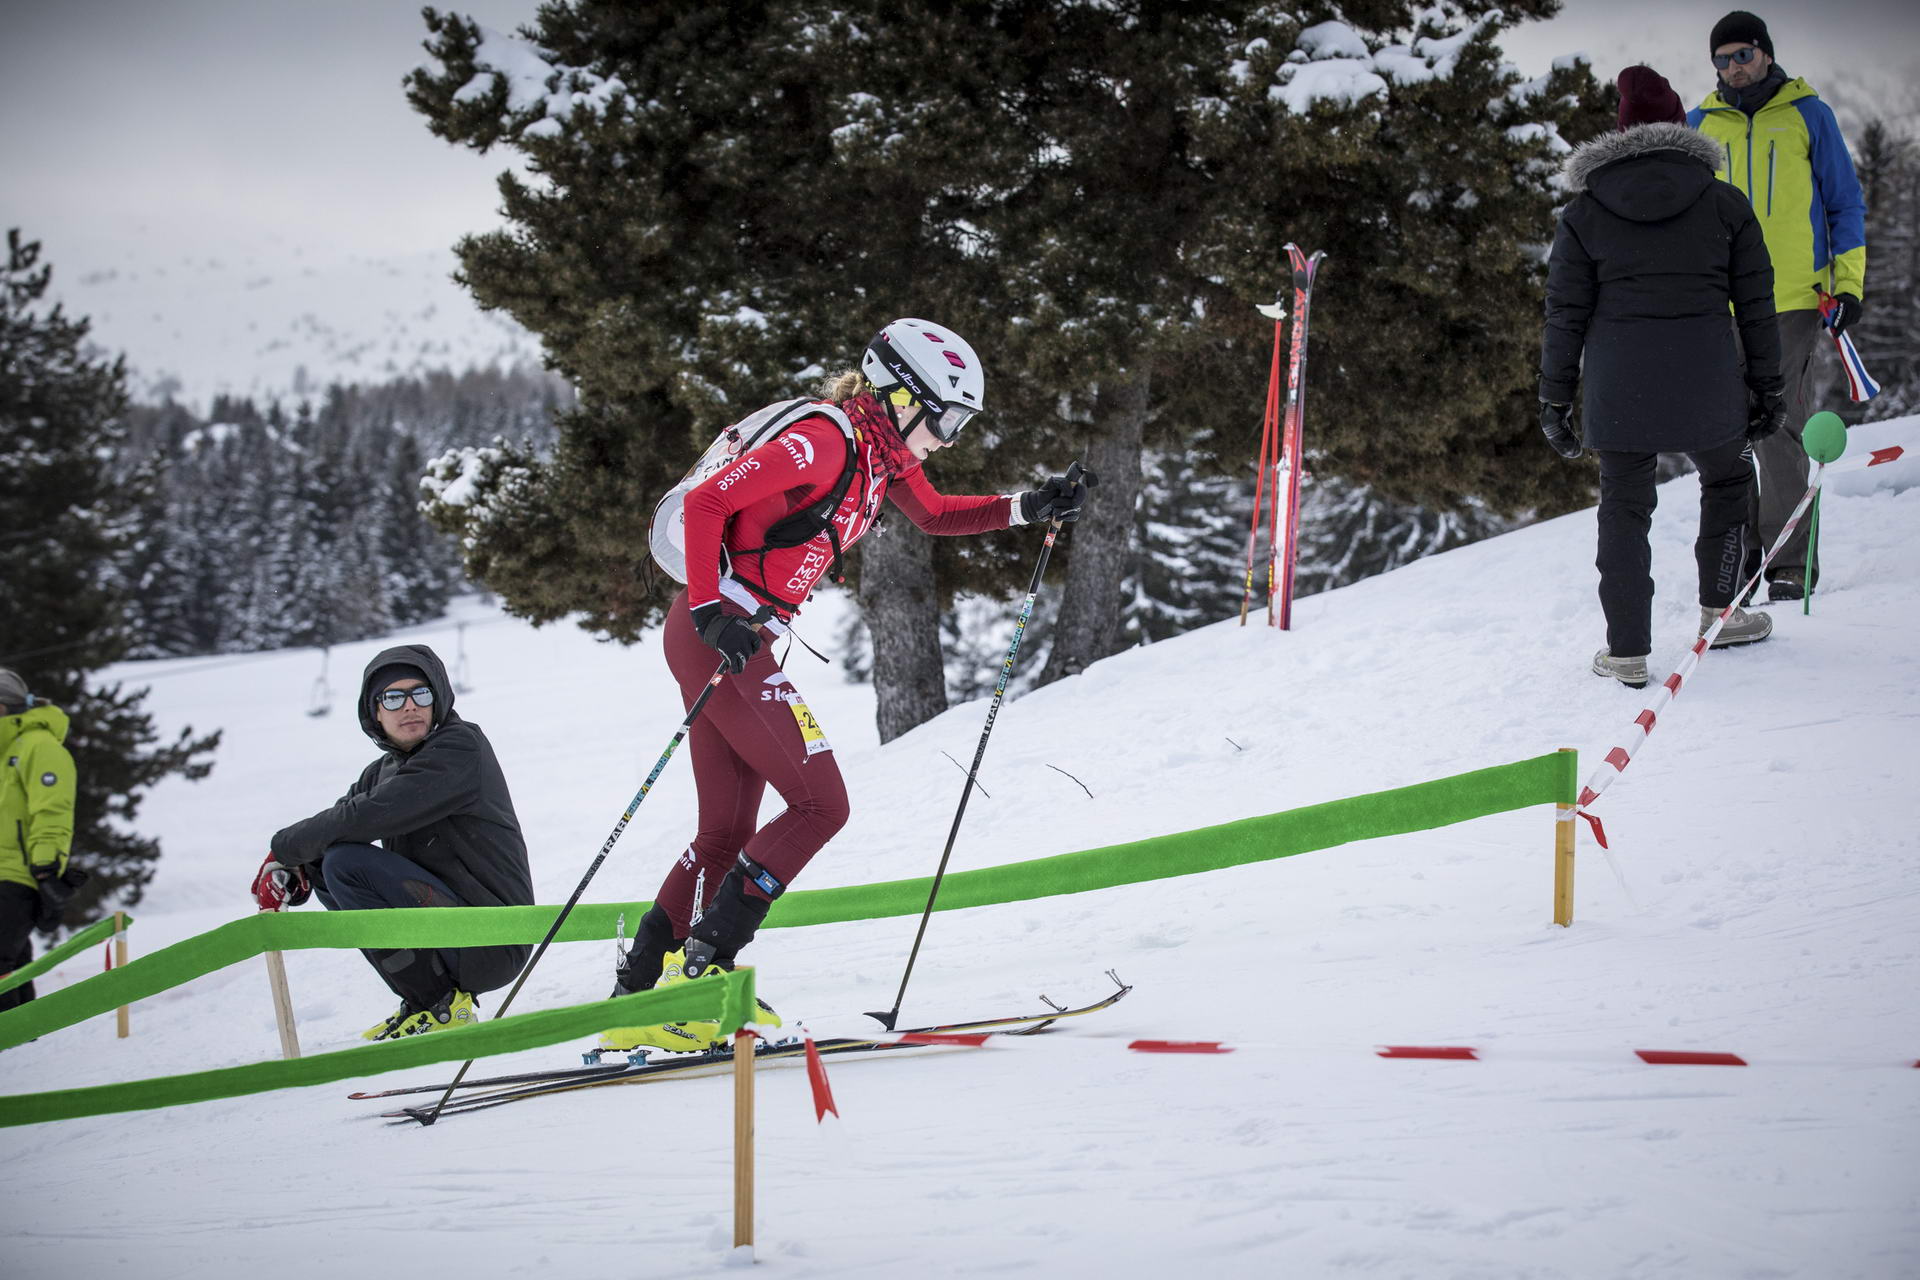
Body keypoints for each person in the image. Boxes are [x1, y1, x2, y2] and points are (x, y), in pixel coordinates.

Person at [600, 318, 1091, 1052]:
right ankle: (701, 978)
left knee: (726, 830)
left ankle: (638, 989)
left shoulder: (878, 457)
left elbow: (933, 513)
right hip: (719, 633)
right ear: (901, 395)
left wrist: (1027, 505)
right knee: (821, 802)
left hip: (733, 635)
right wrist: (708, 608)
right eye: (946, 417)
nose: (950, 437)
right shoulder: (826, 441)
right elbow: (707, 507)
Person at [1540, 66, 1785, 688]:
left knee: (1624, 508)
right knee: (1728, 482)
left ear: (1619, 133)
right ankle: (1722, 615)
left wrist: (1553, 398)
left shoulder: (1586, 211)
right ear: (1680, 127)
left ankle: (1626, 653)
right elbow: (1756, 304)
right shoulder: (1725, 203)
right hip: (1708, 377)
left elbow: (1565, 315)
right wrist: (1769, 387)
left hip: (1620, 384)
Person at [256, 645, 535, 1040]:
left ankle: (440, 1006)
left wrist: (282, 848)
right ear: (375, 711)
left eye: (421, 693)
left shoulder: (460, 748)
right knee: (326, 862)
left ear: (437, 699)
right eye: (393, 697)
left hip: (491, 937)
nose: (410, 706)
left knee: (345, 863)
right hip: (449, 930)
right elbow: (334, 826)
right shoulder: (380, 772)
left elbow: (367, 815)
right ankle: (427, 1001)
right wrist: (292, 870)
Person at [1689, 11, 1867, 602]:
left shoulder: (1806, 114)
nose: (1734, 67)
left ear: (1765, 54)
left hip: (1791, 300)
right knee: (1725, 432)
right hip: (1720, 303)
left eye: (1743, 54)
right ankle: (1736, 561)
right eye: (1723, 58)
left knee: (1781, 427)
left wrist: (1849, 285)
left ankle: (1791, 564)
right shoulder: (1698, 125)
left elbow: (1844, 203)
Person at [0, 668, 78, 1013]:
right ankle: (26, 1048)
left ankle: (13, 1047)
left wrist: (45, 869)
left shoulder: (39, 746)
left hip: (15, 876)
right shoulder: (5, 751)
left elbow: (53, 811)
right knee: (13, 965)